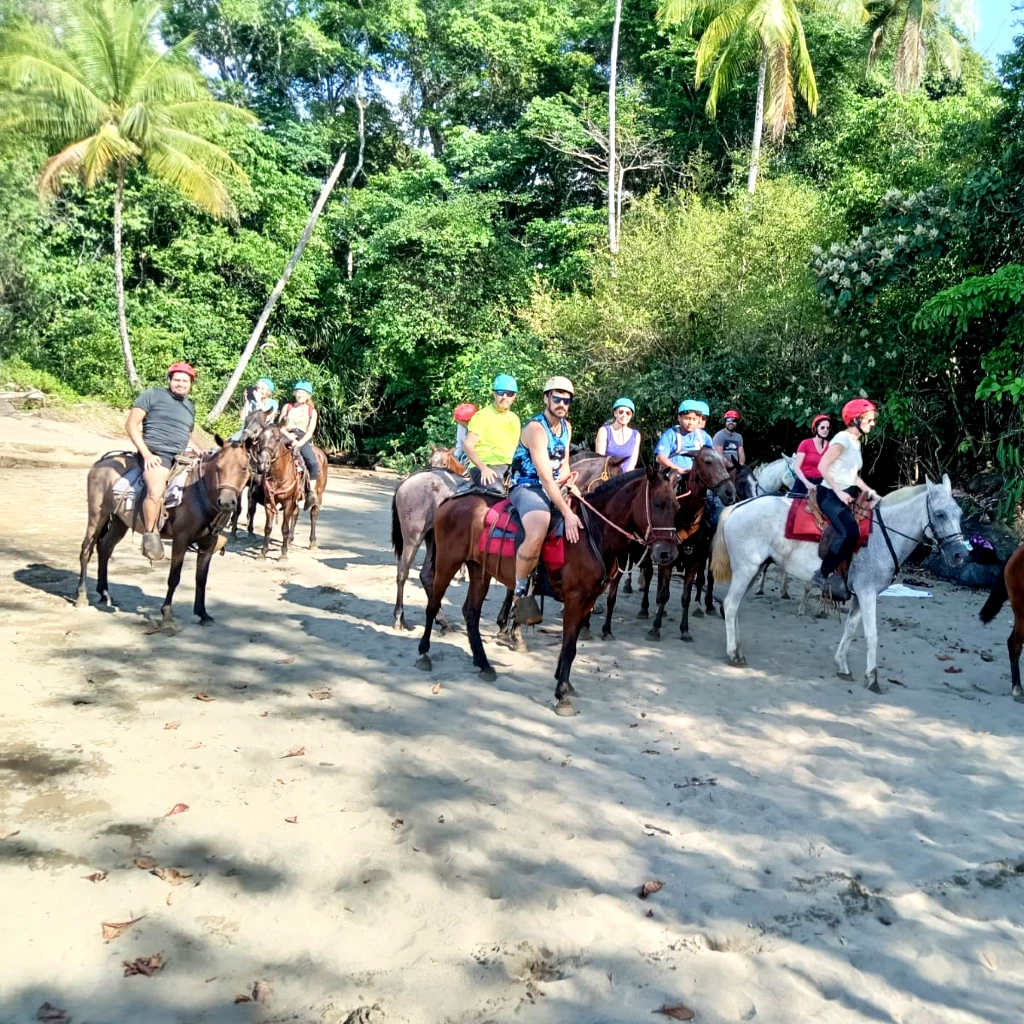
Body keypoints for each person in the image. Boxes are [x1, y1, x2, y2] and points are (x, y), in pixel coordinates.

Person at [507, 376, 584, 625]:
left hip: (553, 485)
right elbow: (544, 476)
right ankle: (519, 594)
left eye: (567, 399)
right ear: (546, 398)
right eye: (557, 398)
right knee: (539, 526)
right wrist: (566, 510)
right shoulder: (535, 429)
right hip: (526, 486)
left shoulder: (567, 427)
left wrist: (571, 485)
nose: (562, 403)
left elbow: (562, 466)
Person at [125, 362, 197, 562]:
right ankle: (150, 534)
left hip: (180, 456)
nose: (181, 384)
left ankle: (194, 530)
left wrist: (196, 454)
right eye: (177, 380)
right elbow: (131, 425)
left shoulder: (190, 406)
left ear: (191, 384)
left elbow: (188, 435)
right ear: (169, 380)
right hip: (156, 453)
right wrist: (147, 454)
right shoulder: (152, 395)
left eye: (185, 381)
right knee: (156, 491)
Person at [813, 399, 882, 600]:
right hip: (829, 494)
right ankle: (822, 573)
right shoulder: (841, 439)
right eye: (869, 420)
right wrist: (839, 492)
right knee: (849, 531)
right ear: (856, 419)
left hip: (847, 492)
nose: (873, 423)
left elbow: (853, 475)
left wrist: (869, 490)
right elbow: (822, 467)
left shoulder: (856, 442)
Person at [463, 374, 521, 492]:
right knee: (497, 491)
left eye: (509, 394)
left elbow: (516, 448)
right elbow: (468, 445)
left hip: (509, 467)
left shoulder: (515, 419)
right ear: (494, 394)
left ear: (514, 396)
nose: (504, 397)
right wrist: (483, 468)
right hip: (485, 466)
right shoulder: (482, 416)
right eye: (500, 392)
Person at [279, 382, 321, 510]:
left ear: (308, 396)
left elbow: (310, 431)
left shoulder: (311, 411)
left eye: (303, 393)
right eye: (298, 392)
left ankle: (311, 492)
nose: (300, 395)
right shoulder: (287, 407)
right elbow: (280, 425)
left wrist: (300, 442)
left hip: (302, 437)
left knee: (313, 463)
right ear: (294, 393)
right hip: (286, 435)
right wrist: (288, 435)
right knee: (268, 454)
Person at [654, 400, 713, 482]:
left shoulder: (703, 436)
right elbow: (660, 458)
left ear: (698, 419)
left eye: (694, 419)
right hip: (674, 476)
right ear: (679, 418)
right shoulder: (671, 434)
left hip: (697, 477)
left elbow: (711, 457)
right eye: (687, 418)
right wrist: (677, 469)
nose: (690, 422)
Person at [595, 398, 641, 471]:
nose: (624, 415)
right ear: (615, 413)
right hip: (607, 476)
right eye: (621, 412)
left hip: (626, 477)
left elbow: (632, 463)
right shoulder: (604, 431)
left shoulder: (636, 435)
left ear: (631, 415)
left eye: (628, 413)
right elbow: (600, 461)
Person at [791, 414, 831, 496]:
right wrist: (807, 483)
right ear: (815, 429)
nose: (825, 430)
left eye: (828, 428)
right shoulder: (805, 444)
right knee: (795, 507)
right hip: (803, 481)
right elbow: (797, 467)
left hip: (820, 483)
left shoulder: (830, 446)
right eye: (822, 427)